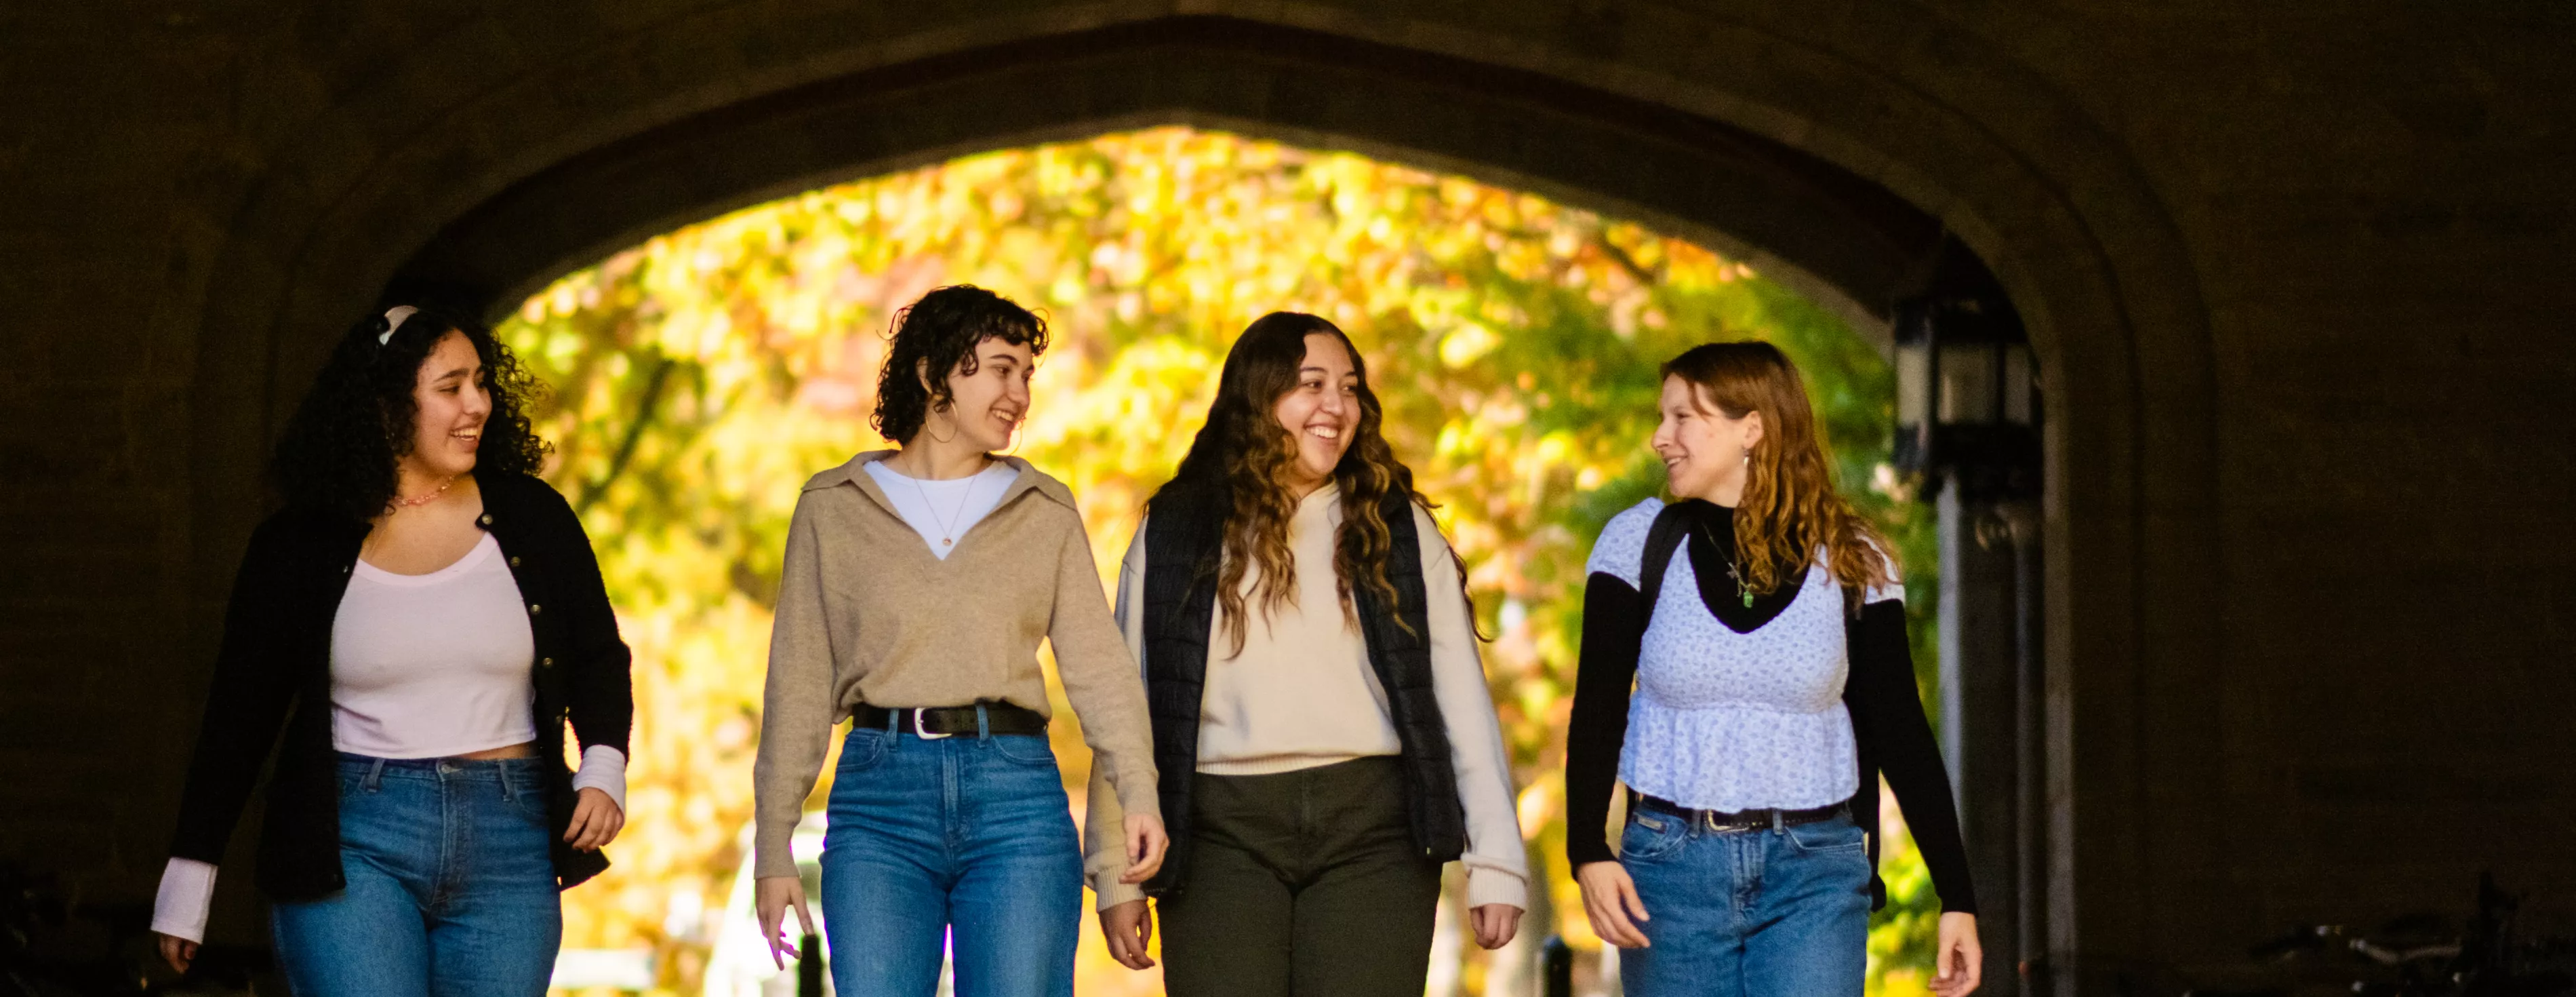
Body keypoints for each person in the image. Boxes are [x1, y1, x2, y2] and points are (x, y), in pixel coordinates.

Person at [151, 304, 634, 996]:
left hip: (511, 838)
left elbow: (596, 655)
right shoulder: (300, 543)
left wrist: (604, 764)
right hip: (352, 841)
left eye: (481, 383)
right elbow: (239, 714)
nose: (477, 404)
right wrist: (191, 872)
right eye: (450, 387)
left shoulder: (533, 516)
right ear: (383, 403)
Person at [1086, 312, 1528, 996]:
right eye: (1311, 384)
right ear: (1258, 398)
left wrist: (1496, 860)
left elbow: (1459, 700)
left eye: (1349, 388)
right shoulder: (1175, 530)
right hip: (1216, 837)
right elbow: (1128, 705)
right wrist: (1113, 866)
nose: (1336, 407)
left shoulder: (1395, 527)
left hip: (1374, 835)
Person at [750, 286, 1165, 997]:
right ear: (932, 373)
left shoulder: (1044, 508)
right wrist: (772, 847)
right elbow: (796, 685)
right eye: (1001, 369)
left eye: (1027, 375)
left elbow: (1099, 672)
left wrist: (1140, 794)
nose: (1019, 394)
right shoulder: (834, 507)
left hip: (1017, 800)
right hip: (879, 804)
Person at [1565, 341, 1981, 997]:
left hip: (1815, 872)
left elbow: (1902, 732)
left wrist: (1957, 896)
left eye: (1682, 418)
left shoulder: (1856, 560)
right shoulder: (1636, 543)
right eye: (1661, 418)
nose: (1659, 438)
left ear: (1751, 428)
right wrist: (1586, 847)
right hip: (1670, 873)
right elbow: (1597, 711)